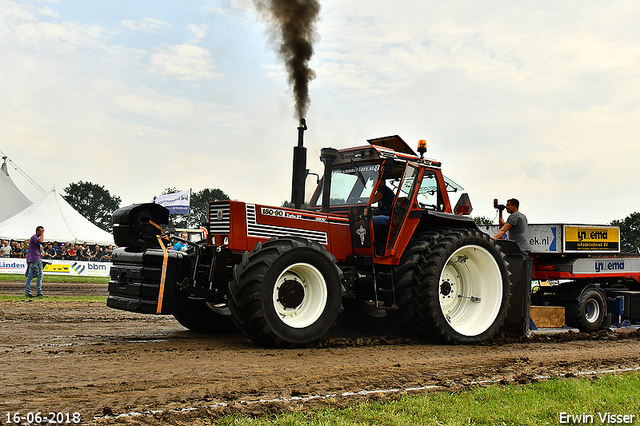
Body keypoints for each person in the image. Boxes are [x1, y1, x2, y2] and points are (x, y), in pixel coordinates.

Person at [25, 226, 46, 297]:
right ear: (37, 231)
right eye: (40, 231)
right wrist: (43, 234)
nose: (41, 233)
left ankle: (28, 292)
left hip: (33, 258)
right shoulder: (34, 237)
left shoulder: (34, 238)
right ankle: (39, 292)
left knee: (30, 275)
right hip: (35, 258)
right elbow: (41, 241)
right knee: (39, 275)